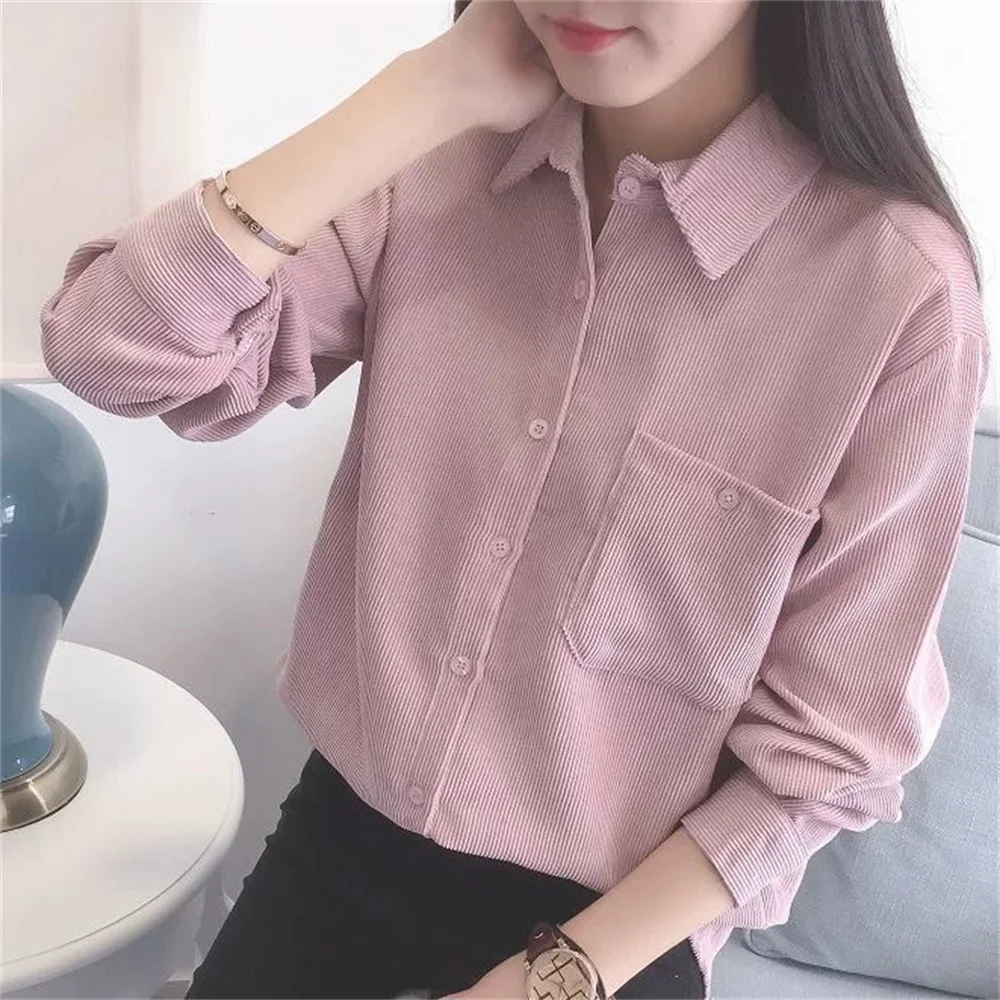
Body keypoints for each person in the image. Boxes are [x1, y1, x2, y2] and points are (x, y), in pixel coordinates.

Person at [40, 0, 990, 997]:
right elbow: (108, 349)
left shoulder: (898, 295)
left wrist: (556, 979)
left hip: (615, 923)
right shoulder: (440, 158)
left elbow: (829, 750)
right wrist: (420, 90)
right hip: (343, 841)